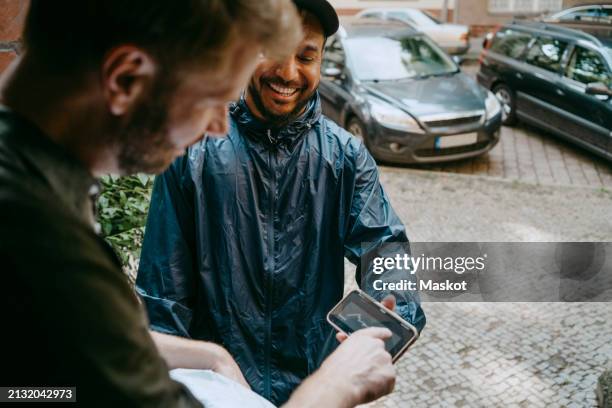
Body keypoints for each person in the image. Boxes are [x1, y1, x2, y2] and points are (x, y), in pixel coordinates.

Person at [0, 1, 397, 407]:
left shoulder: (38, 195)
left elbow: (44, 383)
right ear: (125, 79)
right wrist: (334, 388)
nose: (217, 125)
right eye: (209, 98)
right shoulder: (43, 241)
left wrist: (208, 356)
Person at [137, 0, 426, 405]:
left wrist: (390, 318)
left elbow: (385, 251)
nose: (288, 72)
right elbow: (163, 295)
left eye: (306, 56)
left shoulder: (345, 157)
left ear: (321, 60)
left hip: (315, 386)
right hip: (220, 391)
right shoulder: (192, 151)